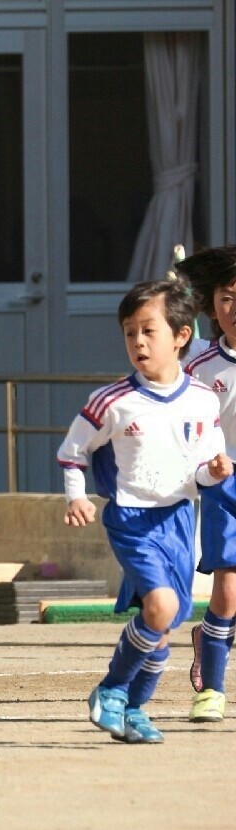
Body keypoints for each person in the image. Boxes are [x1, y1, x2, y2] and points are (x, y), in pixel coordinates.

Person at [59, 276, 232, 744]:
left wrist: (214, 472)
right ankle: (112, 690)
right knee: (161, 607)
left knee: (163, 626)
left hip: (179, 518)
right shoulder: (112, 401)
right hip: (132, 519)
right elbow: (72, 452)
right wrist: (76, 495)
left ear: (181, 336)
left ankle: (134, 709)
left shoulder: (200, 399)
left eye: (148, 330)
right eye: (130, 331)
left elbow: (202, 468)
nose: (137, 341)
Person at [179, 245, 236, 723]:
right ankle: (213, 690)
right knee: (228, 590)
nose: (234, 309)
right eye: (227, 297)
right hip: (225, 489)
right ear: (211, 304)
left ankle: (209, 637)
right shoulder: (200, 370)